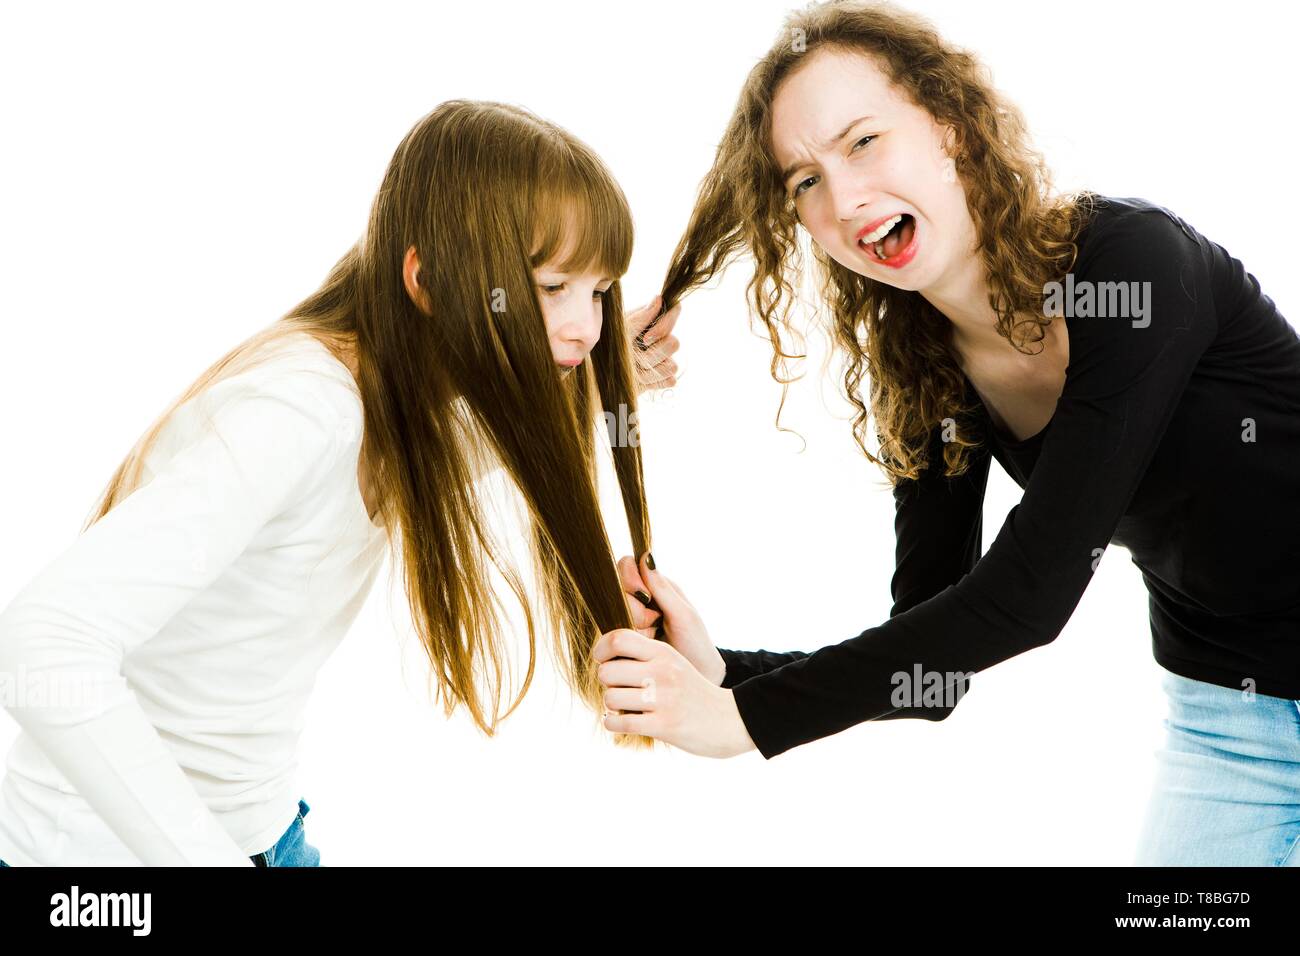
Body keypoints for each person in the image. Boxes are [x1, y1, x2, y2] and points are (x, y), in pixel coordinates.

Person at [593, 0, 1300, 866]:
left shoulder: (1135, 266)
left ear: (952, 128)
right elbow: (937, 665)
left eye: (863, 142)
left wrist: (748, 723)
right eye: (805, 181)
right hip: (1227, 716)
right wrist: (729, 673)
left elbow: (1029, 597)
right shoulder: (931, 374)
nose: (845, 196)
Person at [0, 99, 682, 866]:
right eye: (552, 286)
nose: (585, 328)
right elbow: (42, 644)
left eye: (598, 290)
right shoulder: (300, 410)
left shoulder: (393, 400)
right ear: (426, 279)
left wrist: (601, 384)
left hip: (261, 832)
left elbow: (456, 448)